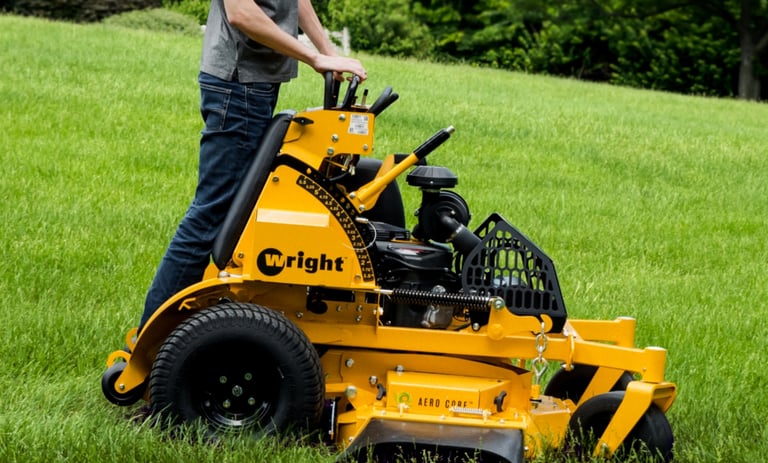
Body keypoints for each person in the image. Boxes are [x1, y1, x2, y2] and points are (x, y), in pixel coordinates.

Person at [137, 0, 367, 332]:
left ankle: (195, 331)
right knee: (214, 214)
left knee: (239, 210)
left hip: (254, 83)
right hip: (237, 86)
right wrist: (315, 57)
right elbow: (241, 13)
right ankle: (149, 347)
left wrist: (327, 52)